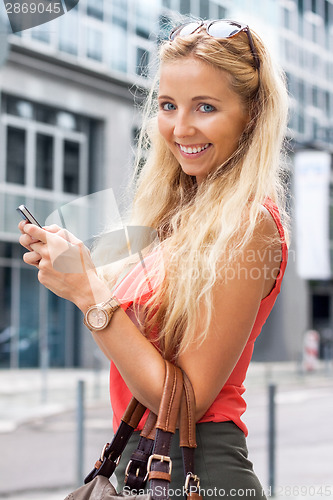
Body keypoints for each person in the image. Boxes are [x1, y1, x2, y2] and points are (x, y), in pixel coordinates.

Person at [18, 17, 289, 500]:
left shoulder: (249, 227)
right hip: (145, 462)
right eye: (168, 105)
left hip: (199, 470)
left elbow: (181, 399)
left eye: (205, 107)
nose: (180, 127)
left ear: (251, 115)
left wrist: (90, 294)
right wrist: (75, 267)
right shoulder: (181, 215)